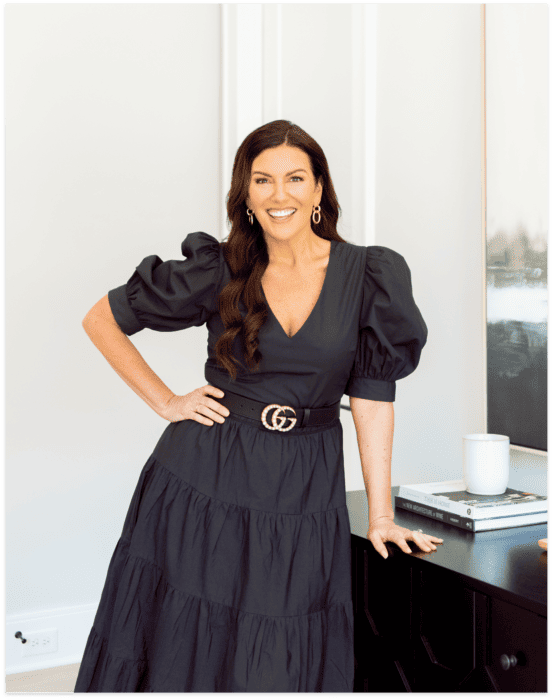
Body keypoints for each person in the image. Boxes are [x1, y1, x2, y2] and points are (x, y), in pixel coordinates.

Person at [73, 119, 441, 693]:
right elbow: (102, 319)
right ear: (246, 193)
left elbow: (372, 400)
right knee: (187, 642)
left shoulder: (369, 274)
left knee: (280, 650)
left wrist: (380, 514)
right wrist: (167, 401)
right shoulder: (220, 267)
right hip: (205, 474)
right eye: (262, 179)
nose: (279, 194)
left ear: (320, 189)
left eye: (295, 177)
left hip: (303, 480)